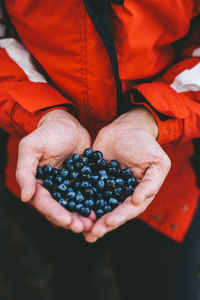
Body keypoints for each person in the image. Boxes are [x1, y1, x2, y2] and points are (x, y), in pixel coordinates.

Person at [0, 0, 200, 299]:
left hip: (168, 176)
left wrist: (151, 119)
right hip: (42, 158)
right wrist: (43, 114)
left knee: (165, 283)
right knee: (67, 268)